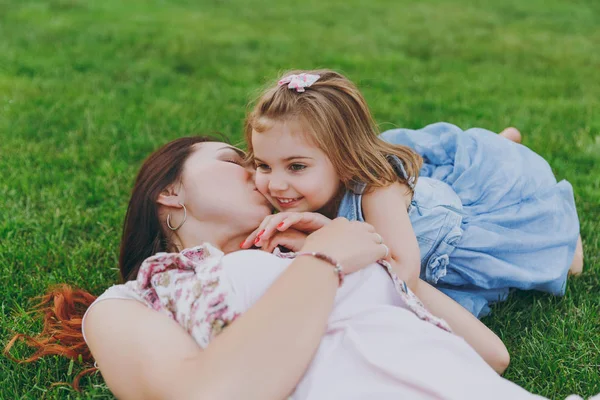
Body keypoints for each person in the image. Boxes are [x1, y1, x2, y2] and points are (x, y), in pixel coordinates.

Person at [6, 136, 595, 400]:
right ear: (170, 193)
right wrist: (327, 262)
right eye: (241, 161)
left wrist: (384, 262)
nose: (263, 177)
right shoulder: (126, 305)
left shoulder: (315, 249)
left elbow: (492, 357)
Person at [242, 69, 584, 318]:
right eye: (264, 165)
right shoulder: (295, 193)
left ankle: (519, 169)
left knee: (568, 265)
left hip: (454, 240)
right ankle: (501, 142)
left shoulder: (377, 192)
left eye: (296, 167)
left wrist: (326, 238)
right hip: (429, 199)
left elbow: (404, 272)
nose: (276, 184)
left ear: (343, 158)